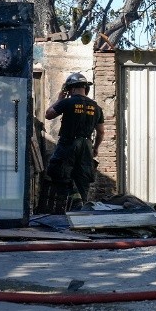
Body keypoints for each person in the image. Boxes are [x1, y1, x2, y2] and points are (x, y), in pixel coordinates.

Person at [44, 72, 104, 212]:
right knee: (83, 178)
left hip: (68, 144)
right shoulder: (96, 107)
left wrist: (59, 99)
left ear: (70, 89)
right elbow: (101, 132)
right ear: (85, 88)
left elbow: (48, 115)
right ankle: (81, 208)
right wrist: (95, 148)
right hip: (87, 145)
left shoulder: (67, 102)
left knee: (58, 173)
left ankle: (69, 204)